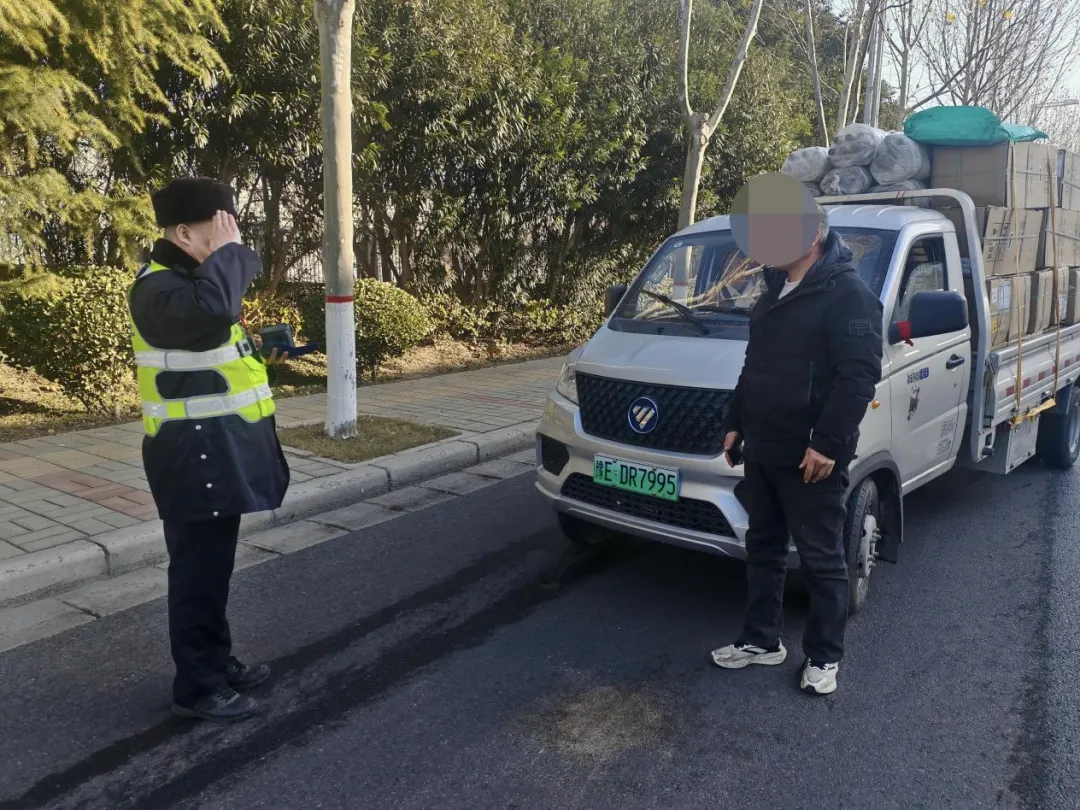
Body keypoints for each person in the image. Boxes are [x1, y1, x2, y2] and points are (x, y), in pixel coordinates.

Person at [129, 177, 291, 722]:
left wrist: (265, 355)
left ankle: (216, 663)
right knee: (197, 574)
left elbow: (211, 353)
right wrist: (230, 255)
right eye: (220, 230)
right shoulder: (156, 290)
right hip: (190, 455)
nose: (230, 240)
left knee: (213, 569)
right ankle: (198, 687)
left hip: (213, 450)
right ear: (182, 233)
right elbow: (210, 312)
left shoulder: (192, 283)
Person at [711, 204, 883, 696]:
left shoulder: (849, 295)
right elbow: (753, 366)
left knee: (821, 559)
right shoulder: (772, 292)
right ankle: (761, 641)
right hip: (764, 448)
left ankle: (824, 657)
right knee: (763, 548)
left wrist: (826, 444)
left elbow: (857, 377)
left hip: (811, 456)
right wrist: (734, 422)